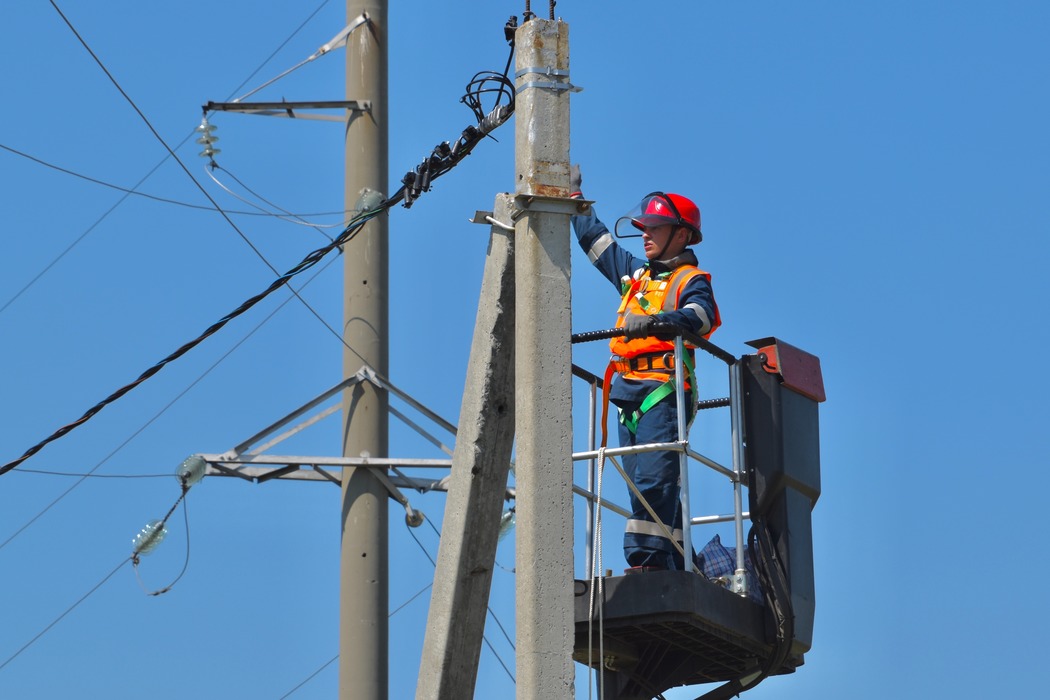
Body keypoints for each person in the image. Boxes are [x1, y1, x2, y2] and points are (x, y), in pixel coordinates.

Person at [570, 165, 721, 573]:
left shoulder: (692, 280)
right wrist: (574, 197)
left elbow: (701, 316)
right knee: (642, 484)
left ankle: (648, 565)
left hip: (662, 390)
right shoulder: (636, 276)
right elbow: (598, 244)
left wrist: (659, 321)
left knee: (654, 479)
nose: (645, 234)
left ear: (682, 235)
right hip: (625, 392)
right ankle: (674, 561)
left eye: (655, 227)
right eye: (644, 227)